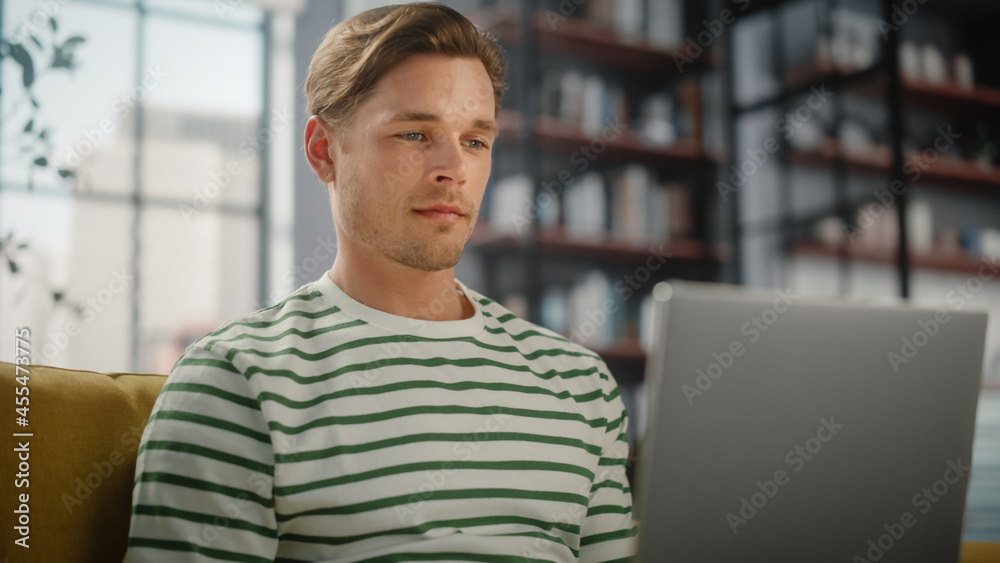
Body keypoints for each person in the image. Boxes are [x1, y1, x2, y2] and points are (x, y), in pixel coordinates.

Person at [122, 3, 636, 561]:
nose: (453, 170)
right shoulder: (236, 379)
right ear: (324, 152)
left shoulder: (581, 384)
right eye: (415, 134)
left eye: (475, 141)